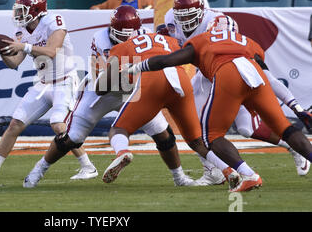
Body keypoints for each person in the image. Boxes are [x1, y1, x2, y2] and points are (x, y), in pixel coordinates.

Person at [22, 5, 200, 188]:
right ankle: (38, 170)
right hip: (100, 90)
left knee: (164, 134)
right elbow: (101, 77)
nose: (122, 38)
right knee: (72, 137)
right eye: (119, 33)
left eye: (127, 34)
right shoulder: (100, 38)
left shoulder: (145, 35)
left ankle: (179, 178)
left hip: (133, 90)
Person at [124, 27, 312, 192]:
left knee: (211, 136)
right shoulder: (247, 41)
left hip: (228, 73)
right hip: (254, 71)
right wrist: (296, 106)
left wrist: (137, 67)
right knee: (286, 129)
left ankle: (249, 175)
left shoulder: (200, 41)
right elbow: (270, 79)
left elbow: (165, 61)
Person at [159, 0, 310, 179]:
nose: (186, 20)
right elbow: (175, 42)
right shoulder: (172, 19)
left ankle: (291, 146)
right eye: (183, 15)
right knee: (195, 124)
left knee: (247, 128)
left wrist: (295, 105)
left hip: (227, 74)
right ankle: (215, 171)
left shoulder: (236, 40)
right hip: (207, 74)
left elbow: (268, 78)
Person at [94, 30, 240, 189]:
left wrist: (114, 76)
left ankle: (122, 153)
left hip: (153, 80)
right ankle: (228, 170)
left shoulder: (123, 46)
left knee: (119, 129)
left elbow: (102, 88)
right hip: (181, 79)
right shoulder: (168, 40)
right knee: (196, 140)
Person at [0, 0, 97, 182]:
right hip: (42, 84)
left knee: (59, 125)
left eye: (22, 10)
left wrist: (24, 47)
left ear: (35, 10)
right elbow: (14, 63)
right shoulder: (21, 31)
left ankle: (88, 166)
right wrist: (0, 51)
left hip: (65, 81)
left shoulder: (53, 21)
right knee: (14, 124)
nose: (18, 15)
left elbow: (52, 51)